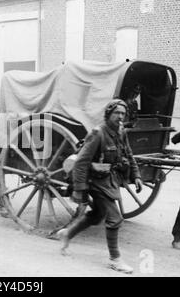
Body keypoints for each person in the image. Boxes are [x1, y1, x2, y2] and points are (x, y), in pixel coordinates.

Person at [58, 99, 143, 274]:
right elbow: (81, 162)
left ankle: (67, 234)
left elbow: (129, 153)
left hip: (110, 180)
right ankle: (115, 259)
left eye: (122, 113)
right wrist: (79, 189)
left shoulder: (120, 131)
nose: (120, 116)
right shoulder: (98, 133)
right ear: (108, 114)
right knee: (114, 218)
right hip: (95, 181)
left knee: (97, 215)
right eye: (116, 113)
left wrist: (137, 175)